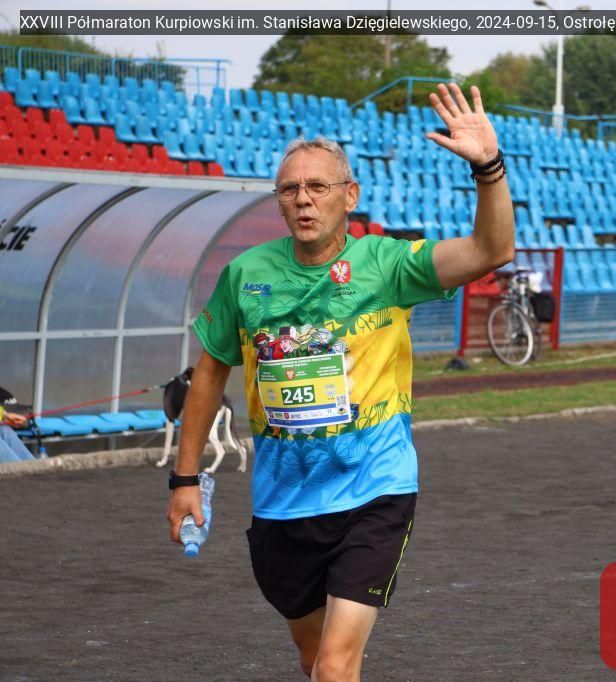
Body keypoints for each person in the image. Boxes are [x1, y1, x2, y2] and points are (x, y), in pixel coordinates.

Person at [166, 82, 513, 681]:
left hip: (373, 491)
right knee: (314, 662)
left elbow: (492, 249)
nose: (303, 199)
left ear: (349, 195)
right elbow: (209, 375)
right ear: (278, 202)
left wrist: (488, 168)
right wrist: (184, 479)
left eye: (318, 187)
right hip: (283, 502)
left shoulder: (388, 264)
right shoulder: (245, 275)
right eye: (290, 189)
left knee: (333, 665)